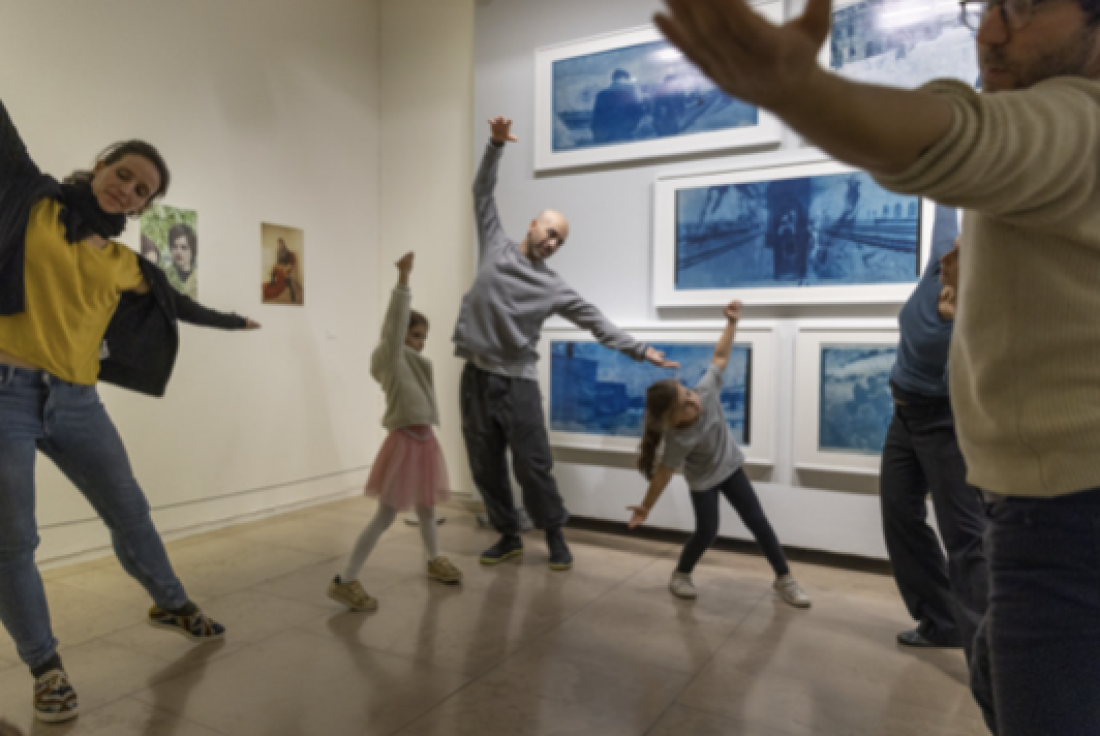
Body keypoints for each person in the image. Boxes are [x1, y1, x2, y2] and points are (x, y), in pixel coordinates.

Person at [655, 0, 1100, 732]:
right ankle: (943, 619)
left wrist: (798, 88)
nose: (991, 31)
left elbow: (942, 138)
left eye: (1024, 7)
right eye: (986, 7)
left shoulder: (1077, 118)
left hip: (1065, 522)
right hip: (1033, 503)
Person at [0, 96, 260, 723]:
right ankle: (46, 666)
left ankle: (170, 601)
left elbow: (178, 305)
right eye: (123, 175)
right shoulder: (33, 199)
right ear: (99, 167)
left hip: (78, 401)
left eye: (141, 190)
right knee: (12, 540)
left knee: (130, 510)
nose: (128, 190)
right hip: (5, 393)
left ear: (145, 206)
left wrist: (233, 322)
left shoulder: (125, 262)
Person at [456, 116, 678, 571]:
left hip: (517, 383)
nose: (553, 243)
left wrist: (640, 349)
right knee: (485, 465)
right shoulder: (495, 244)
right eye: (550, 232)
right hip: (476, 377)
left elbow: (596, 322)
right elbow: (481, 192)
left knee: (533, 465)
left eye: (560, 241)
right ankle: (508, 535)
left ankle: (555, 536)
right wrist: (495, 146)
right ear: (533, 224)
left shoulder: (554, 288)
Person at [626, 300, 811, 607]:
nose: (693, 401)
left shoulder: (706, 392)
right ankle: (681, 574)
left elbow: (721, 355)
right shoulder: (676, 440)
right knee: (707, 531)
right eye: (685, 404)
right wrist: (646, 507)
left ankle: (784, 579)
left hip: (730, 467)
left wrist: (732, 323)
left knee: (758, 522)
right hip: (703, 481)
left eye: (688, 393)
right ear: (672, 419)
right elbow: (663, 474)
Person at [880, 205, 989, 660]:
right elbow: (948, 202)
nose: (949, 253)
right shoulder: (937, 268)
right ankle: (940, 621)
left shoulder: (980, 314)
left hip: (944, 424)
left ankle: (988, 651)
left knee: (964, 536)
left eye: (961, 252)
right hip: (902, 417)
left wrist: (958, 318)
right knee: (900, 516)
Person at [328, 252, 461, 612]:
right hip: (404, 443)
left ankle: (435, 559)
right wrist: (404, 279)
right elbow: (394, 325)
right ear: (400, 335)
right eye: (415, 336)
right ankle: (347, 578)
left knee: (428, 507)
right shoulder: (392, 357)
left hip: (425, 442)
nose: (421, 342)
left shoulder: (418, 363)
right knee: (386, 516)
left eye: (423, 337)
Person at [590, 69, 646, 144]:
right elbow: (638, 113)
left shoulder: (601, 94)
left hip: (606, 134)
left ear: (613, 79)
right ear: (625, 79)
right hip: (625, 133)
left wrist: (597, 134)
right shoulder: (630, 94)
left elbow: (596, 117)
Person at [165, 222, 198, 299]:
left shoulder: (198, 277)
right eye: (174, 247)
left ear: (192, 250)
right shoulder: (164, 275)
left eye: (184, 247)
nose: (178, 252)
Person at [262, 237, 300, 304]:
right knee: (273, 268)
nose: (280, 245)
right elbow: (278, 261)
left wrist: (287, 266)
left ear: (283, 244)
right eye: (279, 244)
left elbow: (290, 262)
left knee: (287, 278)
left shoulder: (287, 252)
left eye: (281, 243)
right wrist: (278, 265)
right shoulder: (278, 251)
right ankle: (272, 281)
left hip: (286, 266)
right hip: (281, 265)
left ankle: (292, 294)